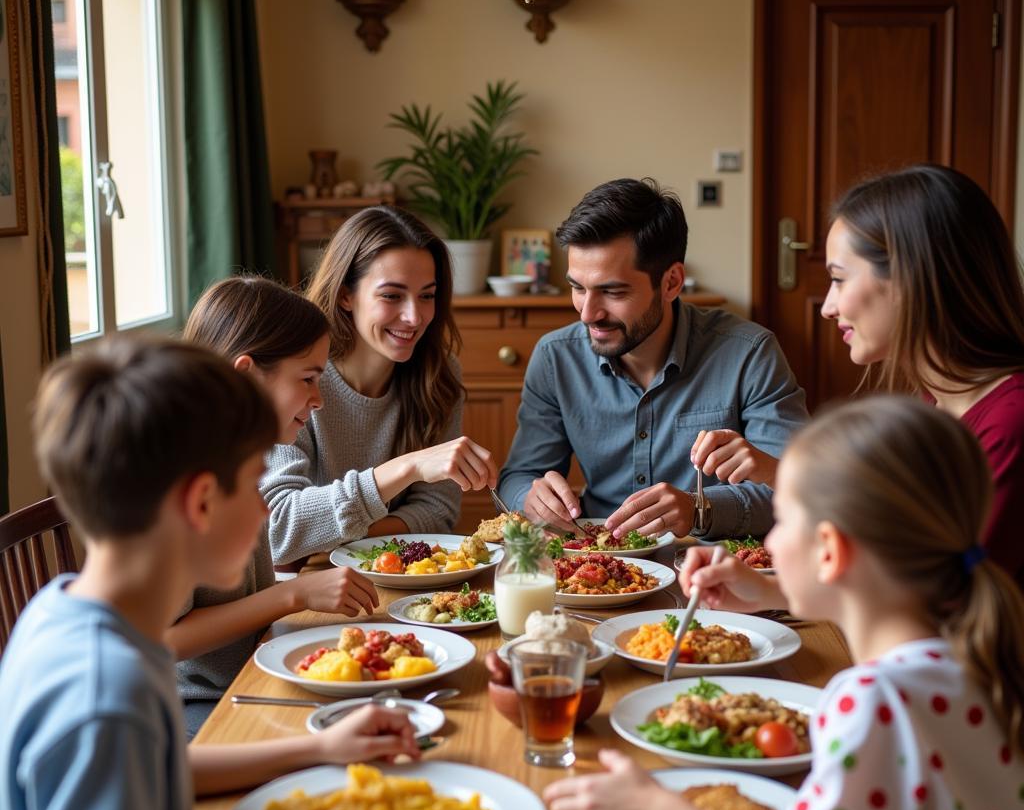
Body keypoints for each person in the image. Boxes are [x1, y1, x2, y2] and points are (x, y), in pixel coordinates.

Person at [546, 396, 1024, 810]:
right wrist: (769, 591)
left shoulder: (877, 697)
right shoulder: (958, 640)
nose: (767, 541)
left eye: (783, 519)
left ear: (828, 551)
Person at [0, 336, 420, 810]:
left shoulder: (70, 610)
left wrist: (320, 749)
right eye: (254, 484)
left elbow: (161, 770)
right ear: (200, 502)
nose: (265, 511)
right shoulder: (105, 694)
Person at [692, 165, 1024, 588]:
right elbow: (892, 544)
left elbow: (934, 598)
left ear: (910, 279)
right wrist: (764, 590)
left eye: (839, 279)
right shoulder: (938, 402)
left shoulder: (1009, 424)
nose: (828, 307)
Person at [497, 177, 808, 540]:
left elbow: (793, 489)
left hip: (710, 572)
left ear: (672, 282)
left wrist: (697, 509)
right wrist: (529, 498)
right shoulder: (555, 358)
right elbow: (519, 477)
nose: (587, 314)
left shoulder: (750, 353)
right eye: (578, 288)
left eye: (612, 291)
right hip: (592, 571)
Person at [174, 275, 379, 738]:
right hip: (202, 710)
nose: (319, 399)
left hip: (254, 674)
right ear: (245, 374)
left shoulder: (239, 459)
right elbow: (166, 640)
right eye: (307, 379)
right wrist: (296, 595)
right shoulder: (183, 481)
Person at [262, 206, 497, 566]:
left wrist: (329, 539)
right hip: (316, 587)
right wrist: (407, 468)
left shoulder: (440, 373)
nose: (414, 317)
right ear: (345, 295)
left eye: (427, 295)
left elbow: (438, 512)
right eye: (392, 295)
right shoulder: (296, 380)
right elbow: (277, 531)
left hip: (401, 575)